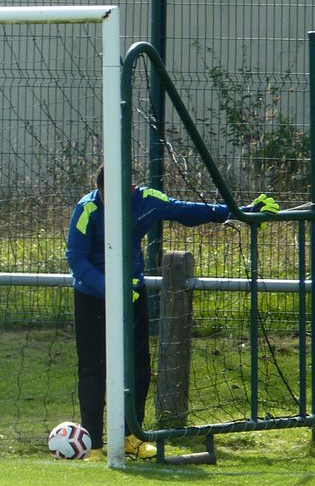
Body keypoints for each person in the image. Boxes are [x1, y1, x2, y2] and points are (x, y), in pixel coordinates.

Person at [66, 166, 277, 460]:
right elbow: (76, 259)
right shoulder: (86, 209)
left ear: (130, 189)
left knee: (138, 367)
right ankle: (93, 445)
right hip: (91, 297)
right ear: (99, 190)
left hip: (132, 295)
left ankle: (130, 437)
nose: (111, 204)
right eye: (105, 197)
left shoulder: (146, 200)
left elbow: (187, 211)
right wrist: (110, 288)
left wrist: (244, 212)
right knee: (93, 369)